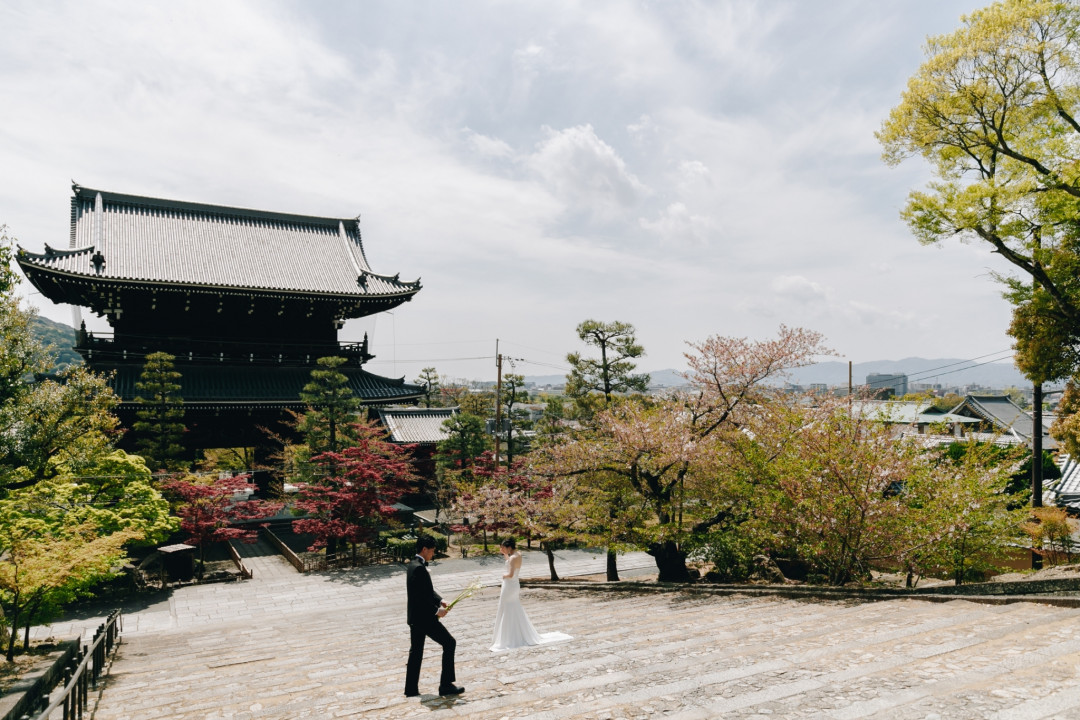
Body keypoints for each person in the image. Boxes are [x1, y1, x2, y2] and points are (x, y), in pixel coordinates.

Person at [405, 535, 464, 697]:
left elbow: (426, 591)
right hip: (424, 619)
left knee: (416, 652)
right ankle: (445, 685)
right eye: (431, 551)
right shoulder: (419, 568)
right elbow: (420, 598)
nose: (433, 554)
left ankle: (410, 689)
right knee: (449, 643)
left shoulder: (412, 565)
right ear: (424, 549)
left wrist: (441, 600)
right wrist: (437, 611)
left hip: (415, 618)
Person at [490, 537, 573, 652]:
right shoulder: (518, 554)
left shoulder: (513, 557)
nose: (502, 549)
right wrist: (505, 555)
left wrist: (503, 575)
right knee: (513, 607)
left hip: (509, 585)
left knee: (506, 607)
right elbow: (511, 563)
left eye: (504, 548)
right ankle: (513, 634)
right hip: (514, 585)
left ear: (509, 547)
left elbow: (510, 573)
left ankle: (508, 637)